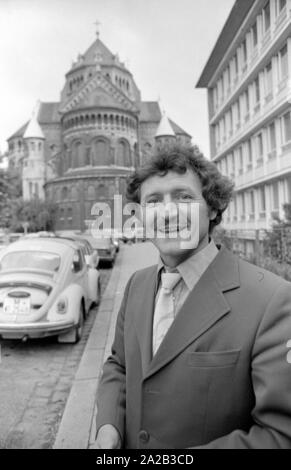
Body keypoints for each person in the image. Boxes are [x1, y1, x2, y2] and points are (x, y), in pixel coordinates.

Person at [94, 144, 291, 449]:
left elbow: (280, 434)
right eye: (153, 201)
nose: (168, 212)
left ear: (212, 207)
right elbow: (119, 366)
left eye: (184, 197)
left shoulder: (273, 300)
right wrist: (108, 427)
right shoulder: (137, 285)